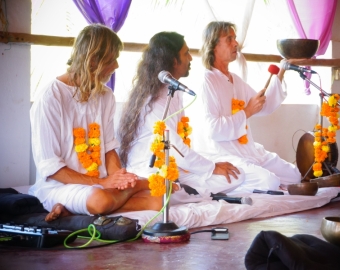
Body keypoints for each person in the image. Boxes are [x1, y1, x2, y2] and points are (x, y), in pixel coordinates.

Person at [29, 24, 166, 222]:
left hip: (101, 184)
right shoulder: (50, 97)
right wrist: (103, 182)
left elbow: (109, 148)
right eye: (112, 60)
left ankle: (75, 210)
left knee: (159, 199)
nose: (117, 66)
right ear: (93, 60)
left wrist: (120, 179)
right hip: (60, 187)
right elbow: (50, 167)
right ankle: (93, 204)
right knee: (100, 200)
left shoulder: (105, 96)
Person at [118, 31, 246, 199]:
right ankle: (187, 193)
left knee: (237, 175)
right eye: (186, 53)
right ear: (173, 60)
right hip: (151, 171)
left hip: (176, 169)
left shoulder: (174, 92)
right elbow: (173, 146)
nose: (191, 58)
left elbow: (179, 148)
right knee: (168, 192)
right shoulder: (153, 101)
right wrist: (211, 167)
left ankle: (189, 192)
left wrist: (210, 168)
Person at [190, 21, 301, 192]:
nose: (236, 43)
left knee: (294, 176)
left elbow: (265, 106)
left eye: (235, 38)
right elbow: (213, 129)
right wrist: (247, 111)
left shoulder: (235, 79)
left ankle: (263, 184)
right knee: (269, 182)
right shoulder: (207, 81)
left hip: (248, 150)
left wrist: (282, 71)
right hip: (223, 154)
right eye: (229, 39)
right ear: (213, 45)